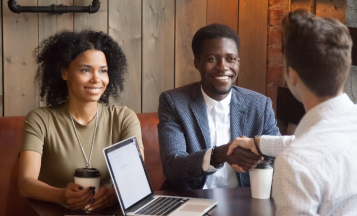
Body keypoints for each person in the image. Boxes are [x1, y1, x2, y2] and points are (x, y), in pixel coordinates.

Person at [228, 9, 357, 215]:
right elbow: (314, 143)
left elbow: (308, 148)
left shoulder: (296, 162)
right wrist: (256, 143)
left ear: (292, 76)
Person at [18, 30, 144, 211]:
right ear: (64, 72)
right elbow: (25, 183)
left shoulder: (124, 118)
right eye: (85, 70)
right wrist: (61, 195)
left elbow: (136, 177)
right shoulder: (39, 120)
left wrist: (116, 194)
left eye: (103, 71)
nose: (96, 79)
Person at [158, 23, 280, 191]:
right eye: (212, 59)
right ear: (197, 63)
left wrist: (260, 156)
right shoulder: (174, 102)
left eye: (230, 59)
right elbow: (172, 166)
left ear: (238, 62)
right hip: (191, 199)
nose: (223, 67)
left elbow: (279, 157)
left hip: (244, 200)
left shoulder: (259, 105)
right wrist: (219, 154)